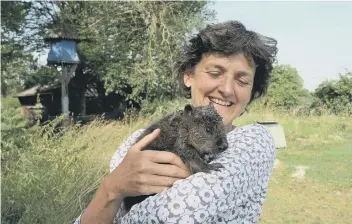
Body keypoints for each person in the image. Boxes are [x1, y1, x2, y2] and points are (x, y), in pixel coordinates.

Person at [74, 20, 278, 224]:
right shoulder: (137, 142)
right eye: (215, 73)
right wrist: (111, 188)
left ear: (251, 92)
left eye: (242, 81)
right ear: (188, 76)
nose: (227, 89)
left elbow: (175, 215)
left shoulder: (254, 143)